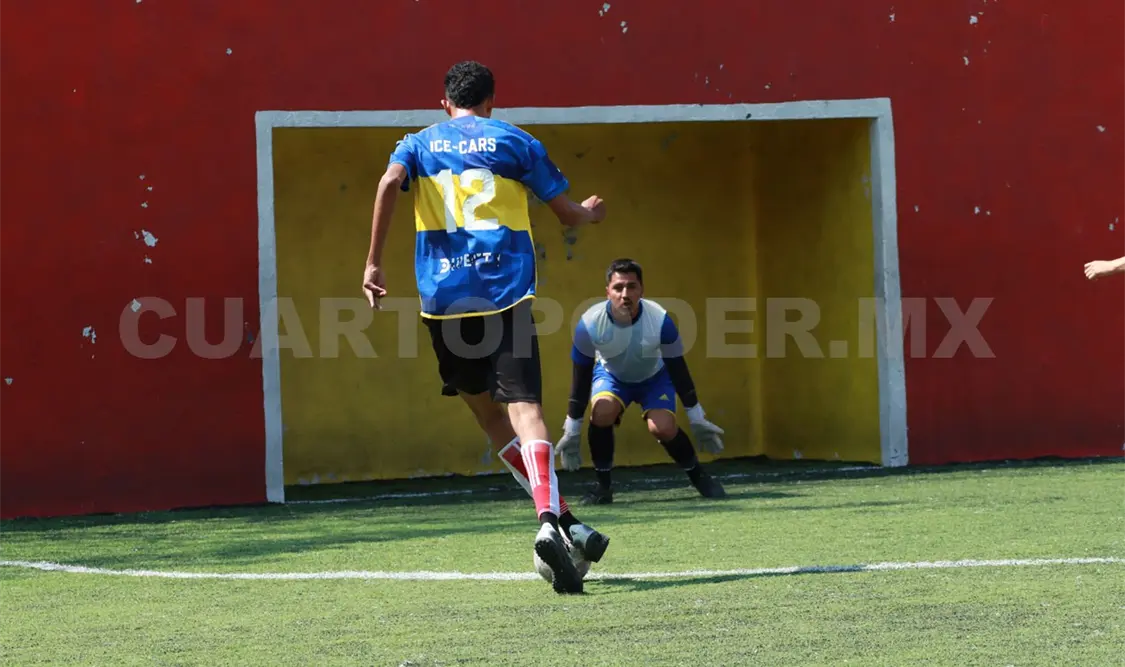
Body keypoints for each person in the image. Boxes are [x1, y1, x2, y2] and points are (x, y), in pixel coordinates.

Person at [361, 61, 607, 594]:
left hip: (445, 302)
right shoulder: (515, 140)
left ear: (444, 103)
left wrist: (374, 263)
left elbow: (387, 183)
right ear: (492, 101)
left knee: (489, 417)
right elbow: (566, 214)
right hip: (504, 293)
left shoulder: (417, 142)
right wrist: (590, 213)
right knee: (527, 411)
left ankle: (566, 521)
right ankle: (550, 518)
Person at [555, 258, 728, 504]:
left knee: (663, 428)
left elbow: (678, 369)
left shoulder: (660, 320)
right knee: (601, 413)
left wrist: (696, 417)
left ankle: (700, 478)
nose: (625, 294)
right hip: (612, 377)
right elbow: (580, 379)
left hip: (654, 379)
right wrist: (572, 429)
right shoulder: (589, 324)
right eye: (618, 288)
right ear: (607, 292)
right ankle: (603, 488)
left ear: (641, 290)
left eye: (632, 287)